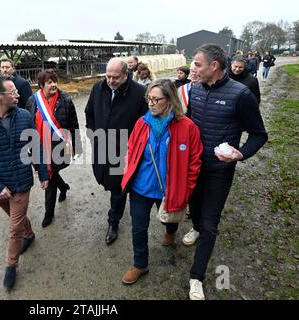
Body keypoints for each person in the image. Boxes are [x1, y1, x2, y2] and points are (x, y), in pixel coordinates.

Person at [185, 44, 268, 300]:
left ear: (214, 66)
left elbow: (259, 134)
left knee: (211, 223)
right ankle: (195, 228)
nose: (193, 69)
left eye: (197, 64)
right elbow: (187, 122)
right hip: (194, 167)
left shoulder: (241, 95)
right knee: (195, 211)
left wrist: (240, 153)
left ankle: (196, 277)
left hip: (220, 171)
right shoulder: (196, 90)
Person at [0, 75, 49, 290]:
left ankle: (11, 266)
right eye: (12, 92)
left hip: (21, 181)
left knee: (14, 228)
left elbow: (36, 146)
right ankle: (29, 234)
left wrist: (43, 173)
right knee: (17, 220)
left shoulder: (23, 116)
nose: (18, 95)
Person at [120, 79, 202, 284]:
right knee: (138, 227)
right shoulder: (141, 123)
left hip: (170, 189)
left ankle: (171, 231)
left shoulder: (187, 127)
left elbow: (194, 162)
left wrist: (187, 189)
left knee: (169, 218)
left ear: (170, 99)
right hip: (141, 187)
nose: (151, 103)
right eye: (149, 98)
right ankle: (140, 264)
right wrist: (127, 167)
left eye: (156, 99)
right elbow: (131, 150)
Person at [85, 57, 147, 246]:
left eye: (116, 77)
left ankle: (114, 222)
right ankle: (114, 201)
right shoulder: (98, 88)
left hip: (124, 150)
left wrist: (133, 147)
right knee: (105, 178)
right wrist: (93, 133)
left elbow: (143, 124)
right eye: (108, 76)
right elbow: (89, 112)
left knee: (119, 189)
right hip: (102, 145)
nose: (111, 81)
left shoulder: (139, 93)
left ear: (126, 75)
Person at [26, 70, 82, 227]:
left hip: (59, 146)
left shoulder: (65, 100)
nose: (54, 85)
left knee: (49, 176)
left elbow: (74, 125)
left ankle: (48, 213)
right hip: (39, 146)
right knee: (50, 174)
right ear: (41, 85)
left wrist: (77, 147)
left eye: (55, 81)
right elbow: (28, 124)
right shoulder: (32, 101)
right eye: (49, 82)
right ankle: (63, 188)